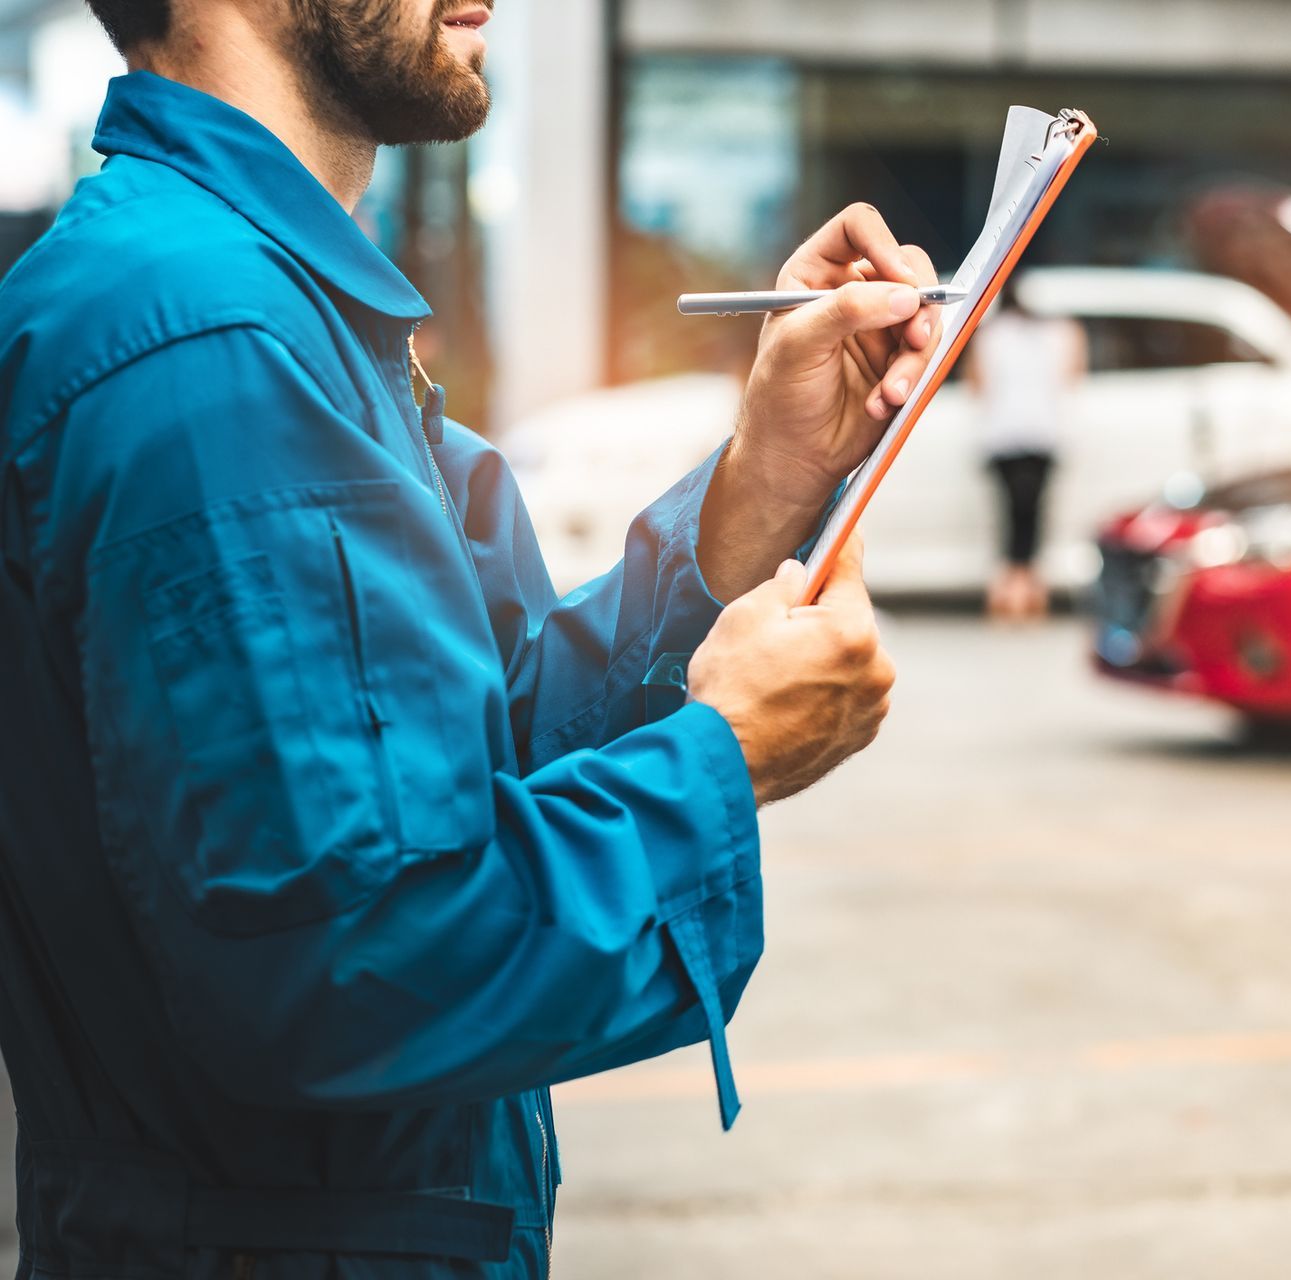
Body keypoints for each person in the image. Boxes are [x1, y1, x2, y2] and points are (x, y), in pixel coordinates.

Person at [0, 1, 944, 1273]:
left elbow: (485, 742)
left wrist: (759, 493)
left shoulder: (274, 305)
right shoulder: (207, 337)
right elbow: (345, 966)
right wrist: (725, 755)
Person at [965, 279, 1086, 620]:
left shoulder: (988, 335)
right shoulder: (1061, 332)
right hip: (1044, 432)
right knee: (1034, 513)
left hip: (1001, 434)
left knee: (1010, 512)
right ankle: (1030, 588)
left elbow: (978, 386)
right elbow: (1072, 375)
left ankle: (1008, 590)